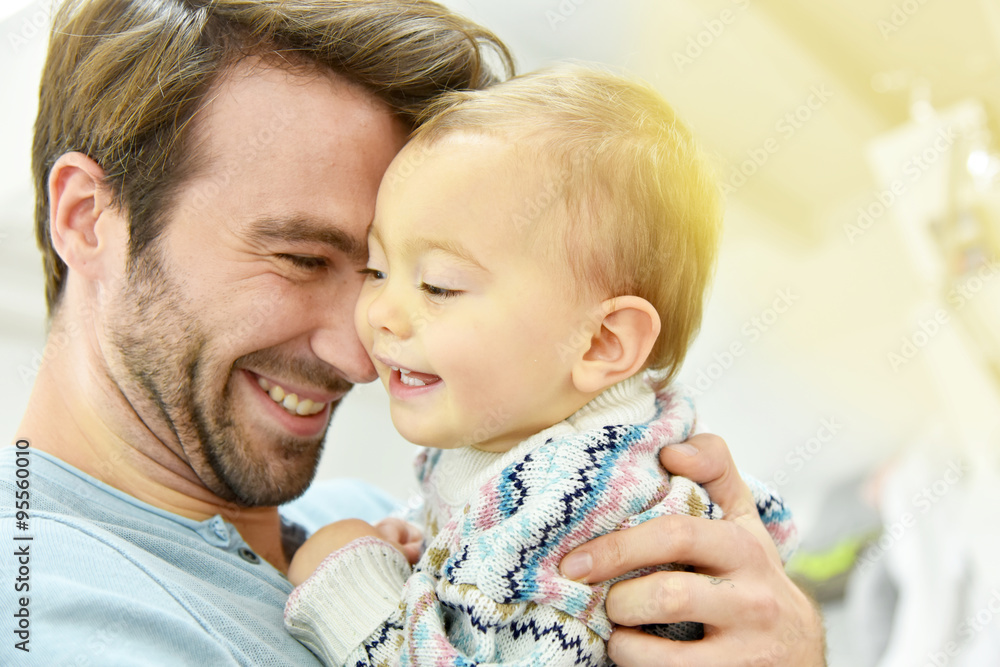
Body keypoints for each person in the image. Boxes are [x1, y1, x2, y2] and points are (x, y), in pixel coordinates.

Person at [1, 0, 824, 664]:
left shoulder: (411, 521)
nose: (364, 351)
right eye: (297, 258)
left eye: (389, 273)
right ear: (87, 218)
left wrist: (781, 640)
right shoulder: (46, 605)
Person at [280, 65, 798, 666]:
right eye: (378, 269)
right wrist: (427, 553)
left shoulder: (578, 523)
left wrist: (348, 587)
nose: (380, 313)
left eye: (439, 286)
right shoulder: (525, 435)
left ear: (602, 342)